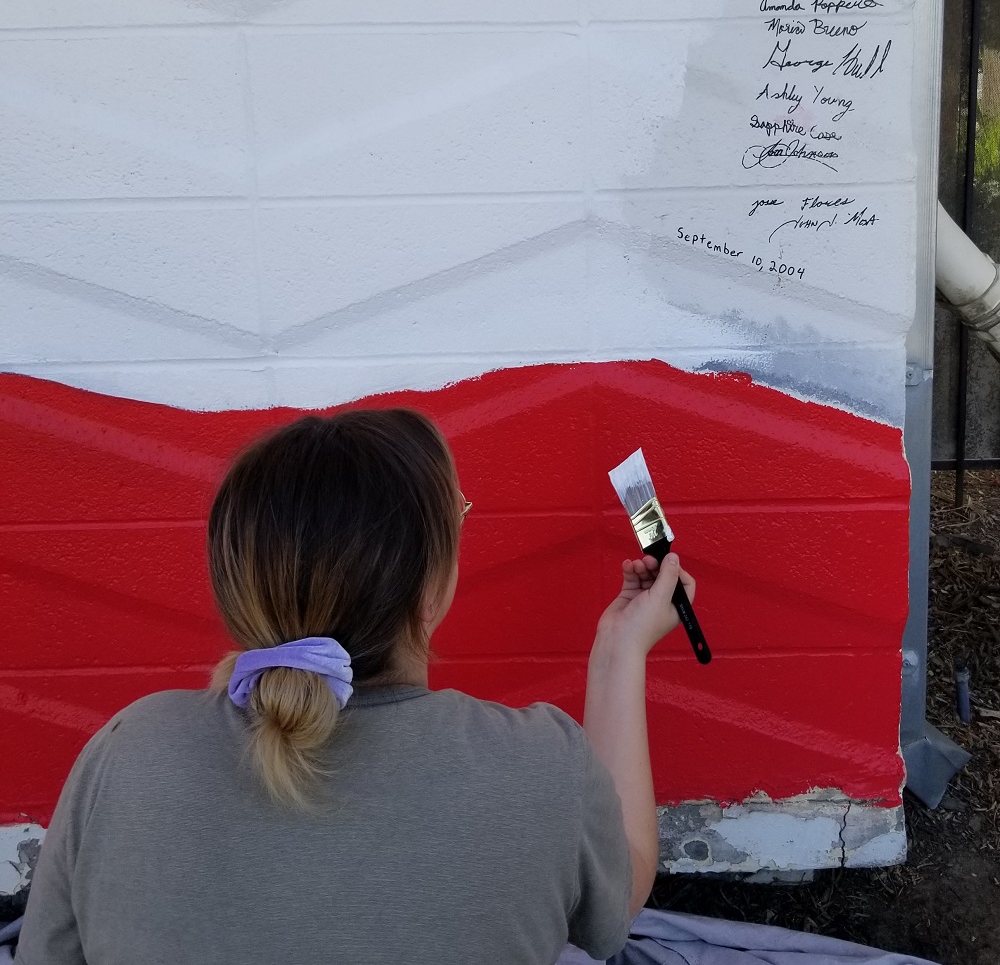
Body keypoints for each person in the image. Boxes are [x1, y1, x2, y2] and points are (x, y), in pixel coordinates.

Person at [14, 409, 693, 965]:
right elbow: (617, 899)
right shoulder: (539, 770)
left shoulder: (128, 753)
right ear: (430, 590)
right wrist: (619, 654)